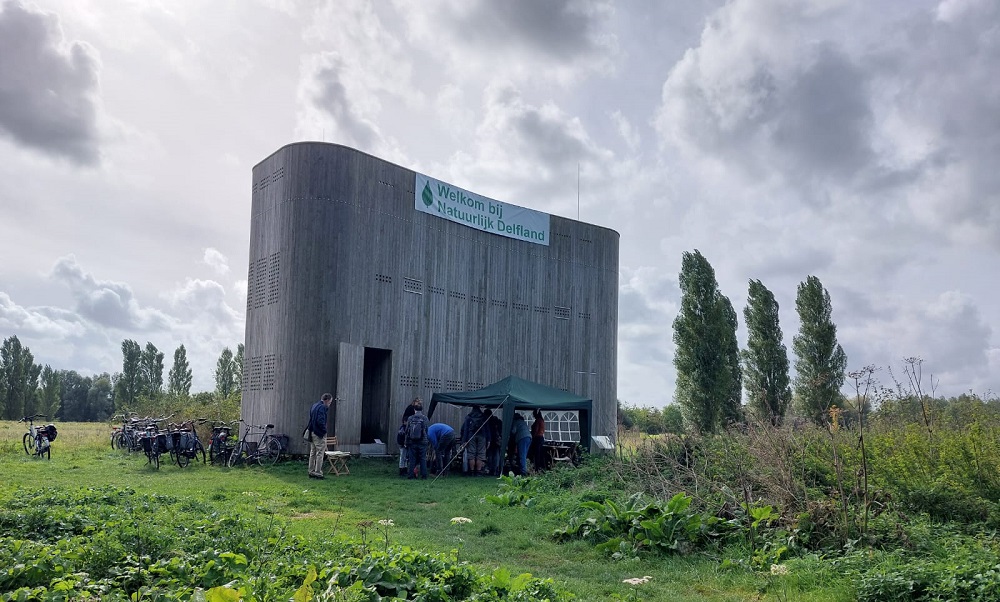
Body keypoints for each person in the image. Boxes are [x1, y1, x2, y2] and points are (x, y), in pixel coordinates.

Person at [307, 393, 334, 479]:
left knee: (312, 452)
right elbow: (320, 421)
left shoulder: (314, 406)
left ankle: (311, 471)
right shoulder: (322, 407)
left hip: (312, 432)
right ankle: (318, 473)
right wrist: (324, 430)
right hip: (319, 433)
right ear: (327, 400)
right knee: (320, 453)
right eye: (330, 402)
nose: (329, 404)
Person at [404, 399, 429, 479]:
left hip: (412, 442)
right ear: (421, 409)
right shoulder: (425, 418)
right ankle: (424, 476)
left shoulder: (410, 418)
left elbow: (407, 431)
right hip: (423, 441)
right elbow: (426, 429)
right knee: (423, 459)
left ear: (414, 409)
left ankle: (410, 475)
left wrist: (406, 441)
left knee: (412, 459)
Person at [461, 406, 488, 475]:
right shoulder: (483, 417)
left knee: (471, 453)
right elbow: (487, 429)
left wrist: (464, 440)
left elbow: (465, 429)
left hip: (471, 435)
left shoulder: (468, 417)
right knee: (480, 453)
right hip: (482, 435)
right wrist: (489, 439)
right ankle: (478, 472)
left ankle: (472, 471)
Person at [398, 397, 420, 477]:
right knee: (403, 456)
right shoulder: (403, 429)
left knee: (405, 456)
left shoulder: (406, 428)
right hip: (403, 443)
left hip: (406, 443)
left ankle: (404, 469)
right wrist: (403, 443)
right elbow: (400, 437)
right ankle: (402, 469)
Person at [510, 411, 531, 476]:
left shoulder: (515, 422)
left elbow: (513, 431)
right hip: (529, 437)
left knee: (522, 455)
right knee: (524, 454)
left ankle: (523, 471)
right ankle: (523, 469)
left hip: (522, 438)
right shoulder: (523, 422)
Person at [485, 409, 503, 476]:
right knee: (496, 455)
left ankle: (491, 469)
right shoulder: (497, 421)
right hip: (497, 440)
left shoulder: (488, 422)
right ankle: (496, 469)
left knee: (490, 455)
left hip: (491, 440)